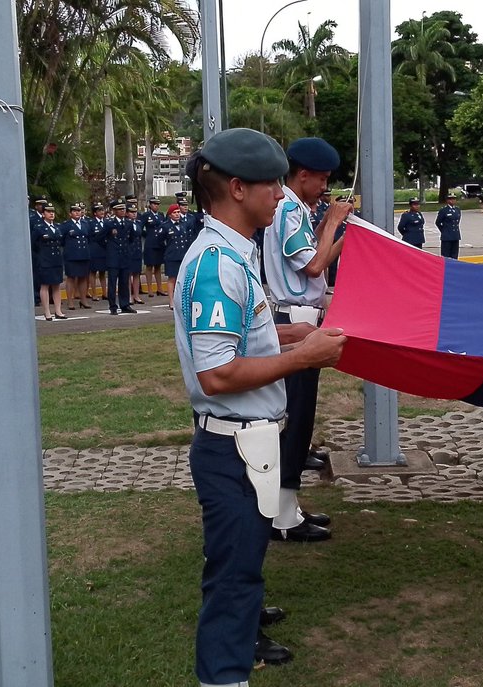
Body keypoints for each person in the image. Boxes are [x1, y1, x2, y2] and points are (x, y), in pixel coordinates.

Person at [175, 127, 345, 687]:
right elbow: (218, 371)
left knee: (242, 568)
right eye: (272, 182)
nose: (283, 193)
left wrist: (289, 334)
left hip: (248, 440)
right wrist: (303, 358)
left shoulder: (233, 253)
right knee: (233, 579)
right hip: (232, 444)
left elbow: (240, 341)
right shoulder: (218, 263)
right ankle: (224, 677)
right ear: (238, 188)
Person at [263, 136, 353, 542]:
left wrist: (331, 226)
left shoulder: (294, 208)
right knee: (294, 422)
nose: (325, 189)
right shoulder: (287, 208)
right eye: (322, 181)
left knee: (299, 421)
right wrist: (337, 227)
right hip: (296, 320)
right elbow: (314, 266)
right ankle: (282, 517)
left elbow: (309, 252)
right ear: (303, 175)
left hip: (302, 317)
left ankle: (288, 507)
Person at [99, 199, 135, 315]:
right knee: (113, 283)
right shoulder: (109, 223)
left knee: (124, 282)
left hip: (124, 256)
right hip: (113, 257)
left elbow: (132, 238)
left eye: (123, 209)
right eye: (119, 209)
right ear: (114, 211)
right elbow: (99, 238)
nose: (122, 211)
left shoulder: (128, 223)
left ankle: (125, 305)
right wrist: (109, 247)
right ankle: (113, 306)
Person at [33, 202, 68, 320]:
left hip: (56, 259)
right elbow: (33, 244)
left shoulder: (57, 227)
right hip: (45, 259)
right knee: (45, 286)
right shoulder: (39, 228)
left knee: (57, 285)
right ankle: (47, 311)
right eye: (48, 212)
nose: (51, 214)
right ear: (43, 214)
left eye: (52, 212)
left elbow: (61, 242)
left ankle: (58, 311)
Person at [62, 203, 92, 310]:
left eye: (79, 211)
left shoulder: (85, 223)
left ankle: (83, 299)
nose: (77, 213)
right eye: (74, 211)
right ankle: (70, 301)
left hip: (84, 254)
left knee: (83, 277)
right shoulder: (66, 225)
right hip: (72, 255)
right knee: (71, 278)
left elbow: (89, 238)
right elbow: (62, 241)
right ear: (70, 213)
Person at [160, 203, 192, 299]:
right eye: (174, 213)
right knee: (172, 279)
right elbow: (160, 241)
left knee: (183, 278)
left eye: (178, 212)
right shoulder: (165, 226)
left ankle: (182, 299)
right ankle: (171, 300)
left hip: (183, 255)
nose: (177, 214)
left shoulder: (184, 224)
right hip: (172, 256)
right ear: (170, 215)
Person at [141, 196, 167, 297]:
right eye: (154, 204)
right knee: (149, 266)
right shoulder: (146, 215)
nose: (156, 206)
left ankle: (159, 288)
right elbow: (140, 227)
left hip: (159, 243)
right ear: (150, 205)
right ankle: (150, 289)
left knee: (158, 266)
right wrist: (147, 235)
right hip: (150, 244)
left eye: (157, 204)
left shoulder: (160, 215)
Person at [87, 202, 108, 302]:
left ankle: (105, 293)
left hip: (104, 250)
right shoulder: (91, 223)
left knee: (103, 273)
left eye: (102, 210)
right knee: (93, 272)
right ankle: (94, 293)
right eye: (99, 210)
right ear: (95, 213)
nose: (102, 212)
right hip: (94, 250)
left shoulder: (107, 222)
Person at [435, 193, 461, 259]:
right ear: (447, 200)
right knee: (446, 256)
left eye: (454, 199)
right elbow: (438, 222)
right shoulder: (444, 210)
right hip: (447, 236)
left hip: (455, 235)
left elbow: (457, 222)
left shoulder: (457, 210)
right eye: (450, 199)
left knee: (454, 255)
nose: (452, 201)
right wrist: (444, 230)